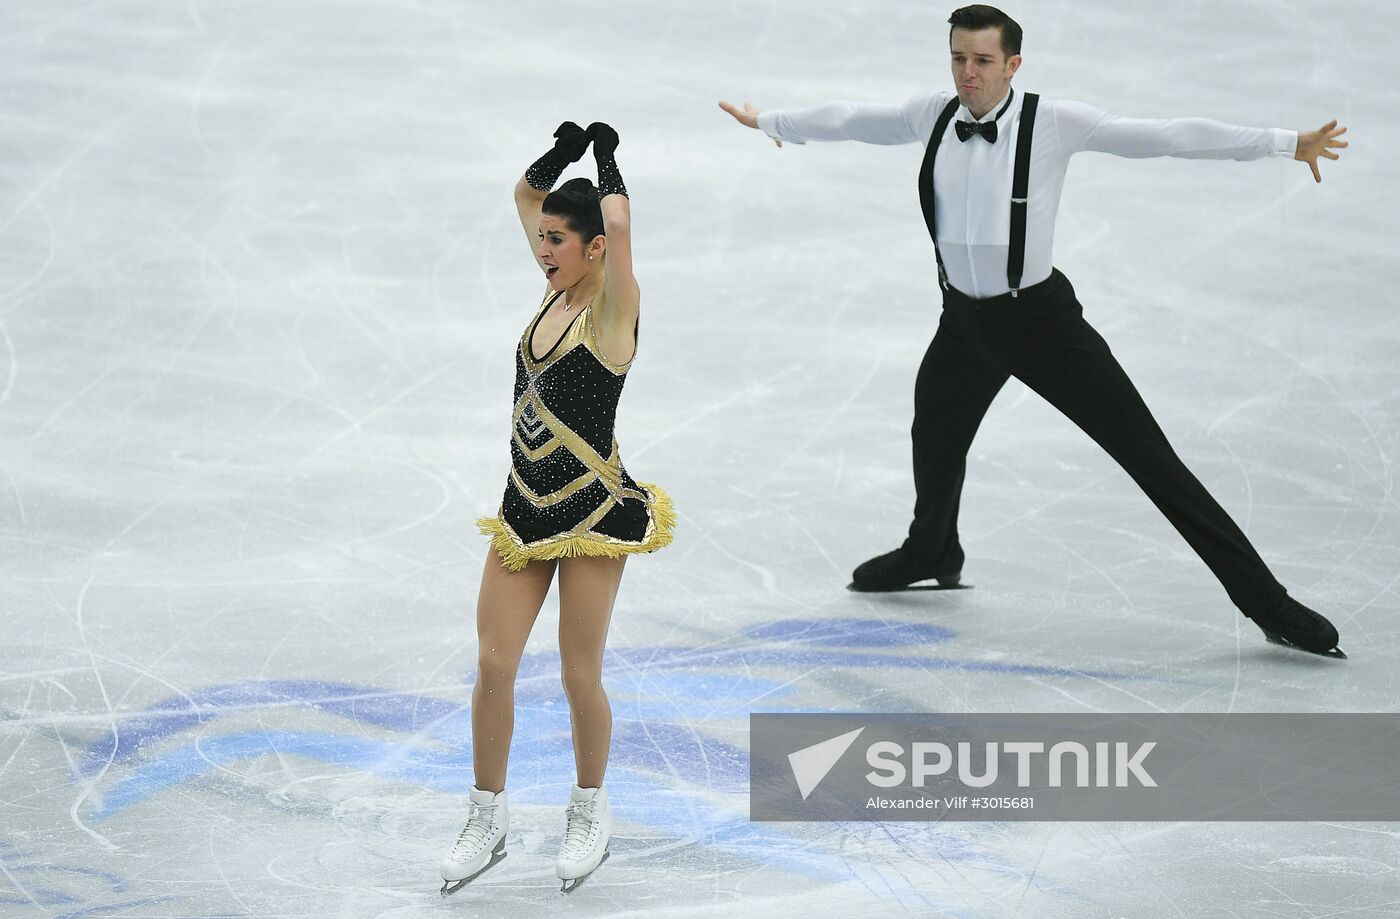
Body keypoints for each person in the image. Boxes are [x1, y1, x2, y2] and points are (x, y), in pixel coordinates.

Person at [719, 5, 1348, 657]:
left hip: (1042, 325)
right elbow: (854, 119)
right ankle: (932, 549)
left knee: (1149, 458)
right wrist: (771, 122)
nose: (968, 73)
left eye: (983, 61)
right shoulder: (932, 112)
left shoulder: (1053, 123)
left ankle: (1266, 603)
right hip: (963, 320)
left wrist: (1284, 141)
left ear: (1013, 65)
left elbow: (1166, 135)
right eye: (959, 58)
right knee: (933, 432)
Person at [440, 121, 676, 895]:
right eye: (541, 239)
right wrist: (563, 151)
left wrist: (607, 161)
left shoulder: (611, 311)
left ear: (593, 249)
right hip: (523, 507)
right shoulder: (556, 287)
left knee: (580, 674)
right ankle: (487, 812)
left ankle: (589, 807)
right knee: (493, 662)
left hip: (592, 514)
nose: (542, 249)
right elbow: (525, 193)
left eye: (556, 241)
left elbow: (617, 224)